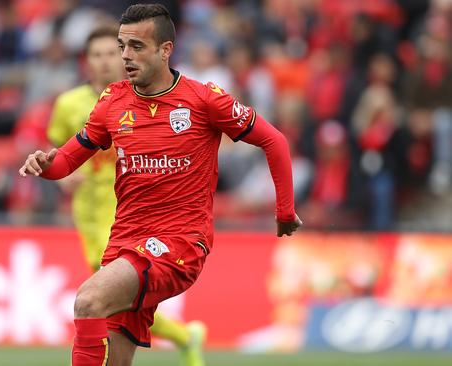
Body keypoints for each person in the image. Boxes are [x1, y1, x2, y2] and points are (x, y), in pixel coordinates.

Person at [19, 4, 302, 365]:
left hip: (178, 243)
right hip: (123, 242)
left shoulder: (203, 99)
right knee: (116, 360)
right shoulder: (112, 102)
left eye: (136, 47)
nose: (125, 56)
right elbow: (68, 161)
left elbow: (274, 140)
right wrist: (45, 165)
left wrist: (285, 211)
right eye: (123, 46)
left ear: (165, 50)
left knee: (88, 300)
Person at [47, 25, 207, 365]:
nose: (107, 61)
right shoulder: (68, 104)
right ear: (86, 61)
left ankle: (183, 336)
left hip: (126, 214)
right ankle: (184, 337)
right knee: (109, 303)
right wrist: (60, 177)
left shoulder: (144, 101)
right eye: (98, 54)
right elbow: (61, 154)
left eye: (111, 53)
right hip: (88, 213)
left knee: (98, 297)